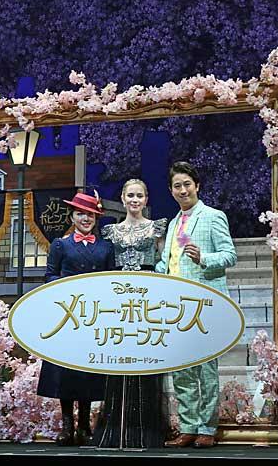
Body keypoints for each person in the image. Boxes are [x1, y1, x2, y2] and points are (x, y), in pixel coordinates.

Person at [156, 161, 236, 449]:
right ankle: (188, 427)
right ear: (171, 190)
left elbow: (229, 255)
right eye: (177, 186)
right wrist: (152, 273)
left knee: (206, 370)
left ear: (197, 186)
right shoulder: (173, 223)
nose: (182, 190)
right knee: (181, 370)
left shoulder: (213, 216)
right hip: (176, 305)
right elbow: (167, 262)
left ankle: (207, 428)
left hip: (205, 304)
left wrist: (204, 258)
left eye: (187, 184)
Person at [36, 191, 116, 446]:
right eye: (80, 214)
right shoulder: (61, 245)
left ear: (96, 218)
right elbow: (50, 275)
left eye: (90, 215)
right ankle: (67, 425)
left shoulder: (105, 247)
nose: (85, 219)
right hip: (67, 314)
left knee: (88, 370)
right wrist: (68, 287)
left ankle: (84, 426)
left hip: (93, 315)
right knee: (66, 370)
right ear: (72, 216)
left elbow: (111, 280)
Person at [93, 178, 168, 449]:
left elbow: (165, 262)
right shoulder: (111, 231)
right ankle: (116, 428)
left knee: (145, 357)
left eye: (139, 196)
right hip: (119, 299)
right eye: (130, 196)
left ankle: (146, 429)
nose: (135, 200)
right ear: (123, 199)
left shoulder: (157, 228)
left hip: (147, 298)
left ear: (146, 199)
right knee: (120, 357)